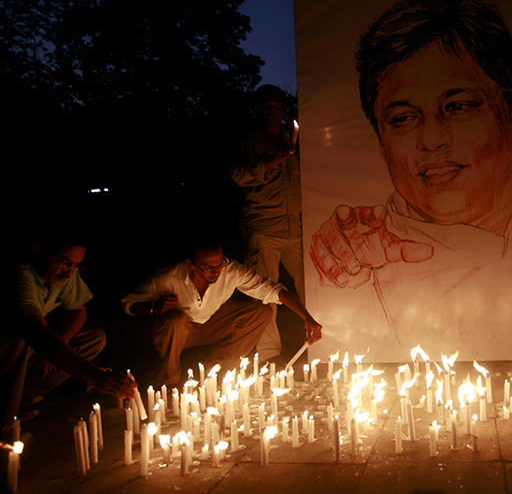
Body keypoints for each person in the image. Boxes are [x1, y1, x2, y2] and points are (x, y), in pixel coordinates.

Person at [307, 0, 512, 360]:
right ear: (380, 141)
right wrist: (344, 283)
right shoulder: (350, 269)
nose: (432, 140)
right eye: (403, 118)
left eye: (459, 106)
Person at [121, 239, 321, 386]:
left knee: (260, 312)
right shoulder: (167, 279)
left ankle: (218, 370)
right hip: (177, 333)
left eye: (220, 264)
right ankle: (170, 380)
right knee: (176, 319)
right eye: (208, 268)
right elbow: (129, 304)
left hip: (209, 324)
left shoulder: (230, 271)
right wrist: (154, 308)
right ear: (190, 264)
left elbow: (272, 290)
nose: (216, 272)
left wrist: (307, 318)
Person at [2, 238, 136, 436]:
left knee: (94, 338)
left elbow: (78, 311)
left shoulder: (64, 275)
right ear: (39, 251)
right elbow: (35, 332)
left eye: (76, 265)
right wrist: (95, 376)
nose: (70, 272)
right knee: (21, 340)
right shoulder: (22, 275)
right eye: (65, 262)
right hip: (10, 345)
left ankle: (23, 399)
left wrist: (63, 341)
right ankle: (5, 420)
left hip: (35, 344)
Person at [231, 85, 304, 363]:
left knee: (315, 285)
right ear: (258, 110)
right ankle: (269, 356)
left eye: (276, 104)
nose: (272, 109)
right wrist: (274, 160)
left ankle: (322, 341)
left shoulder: (296, 139)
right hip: (263, 227)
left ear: (283, 109)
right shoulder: (248, 144)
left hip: (297, 228)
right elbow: (239, 176)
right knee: (265, 292)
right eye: (266, 105)